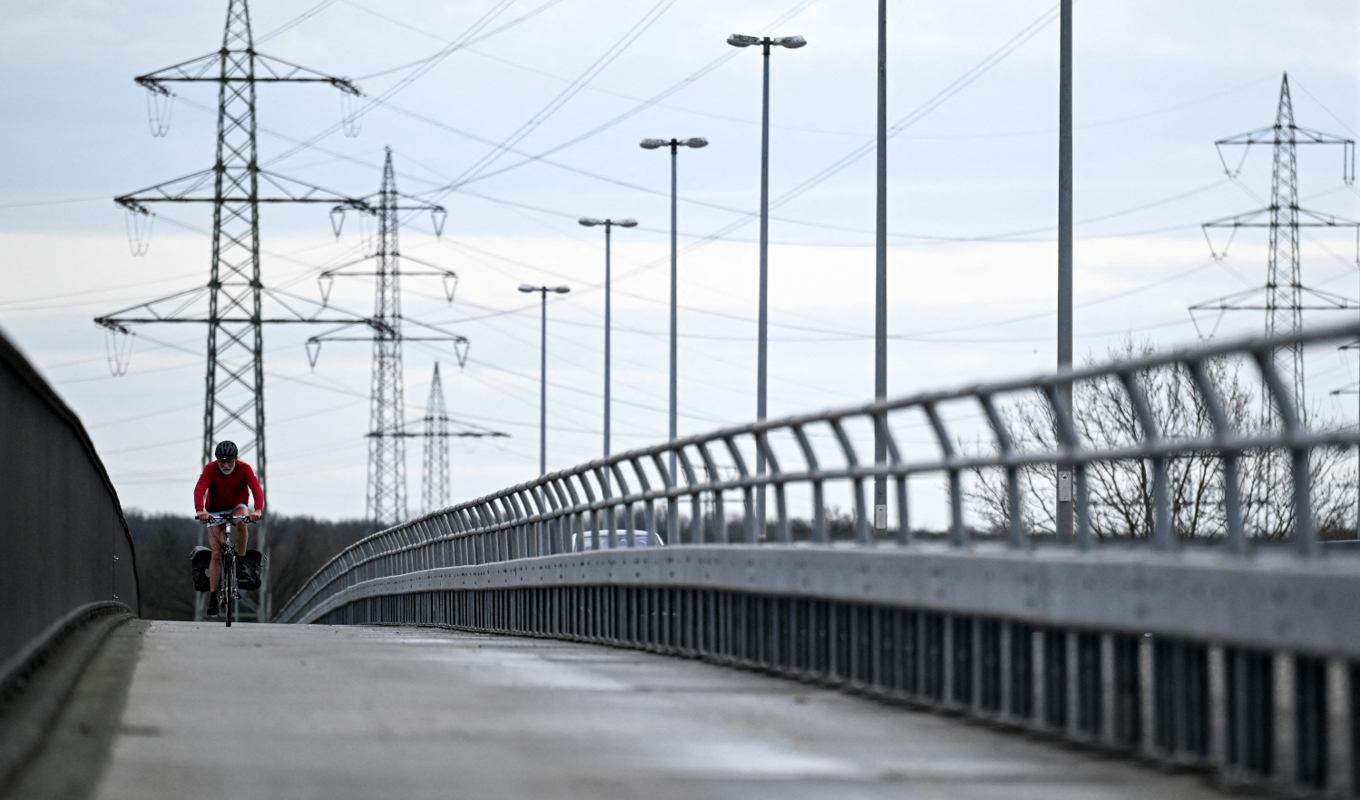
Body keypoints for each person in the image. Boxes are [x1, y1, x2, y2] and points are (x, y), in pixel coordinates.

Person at [194, 440, 264, 617]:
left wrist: (257, 509)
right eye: (222, 462)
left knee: (242, 521)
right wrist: (200, 510)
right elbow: (200, 487)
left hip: (236, 506)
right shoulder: (211, 469)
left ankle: (240, 563)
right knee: (216, 554)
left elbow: (255, 487)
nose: (225, 465)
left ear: (236, 459)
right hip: (214, 511)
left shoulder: (244, 469)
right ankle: (212, 599)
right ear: (217, 461)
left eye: (229, 462)